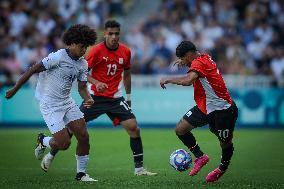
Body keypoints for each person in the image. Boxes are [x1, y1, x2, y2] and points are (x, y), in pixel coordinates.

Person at [41, 20, 157, 176]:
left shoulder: (126, 52)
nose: (114, 37)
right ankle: (51, 154)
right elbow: (82, 71)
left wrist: (128, 97)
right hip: (94, 98)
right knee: (70, 131)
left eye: (117, 34)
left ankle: (139, 169)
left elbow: (127, 74)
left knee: (134, 128)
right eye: (111, 33)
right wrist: (96, 82)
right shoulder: (96, 51)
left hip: (116, 99)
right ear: (105, 33)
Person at [5, 24, 98, 182]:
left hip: (67, 102)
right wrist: (15, 89)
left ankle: (81, 174)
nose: (84, 50)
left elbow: (82, 87)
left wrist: (87, 98)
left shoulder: (83, 64)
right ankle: (42, 140)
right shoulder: (58, 57)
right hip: (50, 105)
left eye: (87, 47)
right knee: (64, 144)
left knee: (83, 136)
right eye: (82, 46)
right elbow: (33, 69)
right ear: (72, 43)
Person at [160, 41, 238, 183]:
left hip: (224, 110)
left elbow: (188, 80)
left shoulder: (199, 63)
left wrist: (168, 79)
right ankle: (200, 157)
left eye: (183, 58)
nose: (182, 62)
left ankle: (222, 168)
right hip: (206, 107)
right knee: (180, 129)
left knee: (225, 143)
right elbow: (195, 66)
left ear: (189, 55)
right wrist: (186, 62)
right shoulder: (203, 57)